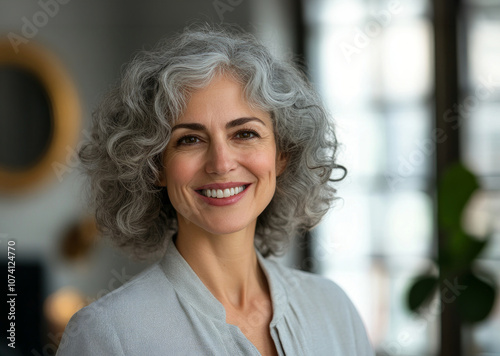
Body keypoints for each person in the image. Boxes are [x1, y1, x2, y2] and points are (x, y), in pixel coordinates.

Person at [57, 25, 374, 356]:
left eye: (244, 134)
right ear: (154, 167)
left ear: (282, 154)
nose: (221, 164)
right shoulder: (108, 334)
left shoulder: (334, 310)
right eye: (189, 139)